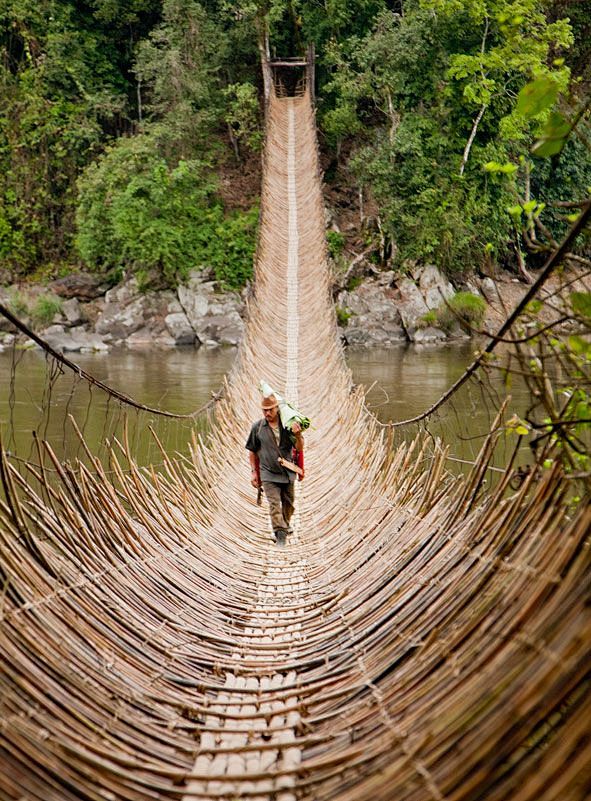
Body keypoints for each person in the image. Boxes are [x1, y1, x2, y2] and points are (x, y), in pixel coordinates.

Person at [246, 394, 304, 545]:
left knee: (289, 503)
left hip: (287, 471)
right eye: (264, 410)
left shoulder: (287, 425)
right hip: (268, 473)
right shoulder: (257, 427)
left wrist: (297, 435)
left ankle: (284, 524)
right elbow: (252, 451)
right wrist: (254, 472)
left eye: (270, 410)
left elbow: (299, 448)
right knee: (274, 504)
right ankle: (280, 536)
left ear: (277, 408)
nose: (267, 413)